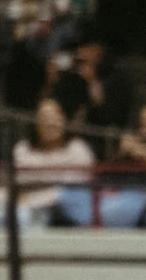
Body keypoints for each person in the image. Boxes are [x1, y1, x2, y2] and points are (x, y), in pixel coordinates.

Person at [10, 96, 98, 226]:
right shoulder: (22, 150)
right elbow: (17, 185)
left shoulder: (78, 149)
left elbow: (69, 193)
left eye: (55, 117)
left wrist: (32, 199)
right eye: (45, 118)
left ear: (64, 120)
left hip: (68, 214)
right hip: (27, 207)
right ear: (35, 123)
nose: (50, 123)